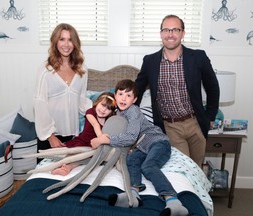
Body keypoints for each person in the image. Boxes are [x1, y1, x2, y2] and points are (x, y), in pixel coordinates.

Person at [91, 79, 188, 216]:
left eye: (129, 95)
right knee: (131, 161)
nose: (124, 98)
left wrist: (106, 139)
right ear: (115, 96)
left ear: (135, 99)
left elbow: (130, 136)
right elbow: (124, 136)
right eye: (120, 94)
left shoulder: (133, 111)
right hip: (141, 147)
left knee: (148, 166)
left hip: (158, 143)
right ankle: (133, 194)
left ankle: (173, 200)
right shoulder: (118, 114)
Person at [135, 14, 220, 167]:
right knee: (184, 168)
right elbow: (137, 91)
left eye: (175, 30)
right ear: (161, 33)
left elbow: (212, 87)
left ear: (183, 33)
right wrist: (131, 117)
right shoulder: (150, 61)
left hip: (196, 123)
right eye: (166, 30)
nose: (170, 34)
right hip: (170, 126)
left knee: (197, 168)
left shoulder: (198, 57)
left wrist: (210, 116)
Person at [33, 23, 92, 152]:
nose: (66, 44)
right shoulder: (45, 71)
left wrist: (101, 113)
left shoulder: (82, 70)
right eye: (62, 39)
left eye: (70, 40)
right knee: (47, 172)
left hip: (73, 134)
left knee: (71, 171)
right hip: (51, 137)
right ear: (55, 42)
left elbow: (82, 101)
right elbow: (40, 104)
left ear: (75, 43)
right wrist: (50, 136)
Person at [51, 92, 116, 176]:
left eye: (108, 108)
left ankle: (67, 168)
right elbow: (95, 125)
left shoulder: (108, 120)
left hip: (94, 146)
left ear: (111, 112)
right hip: (83, 141)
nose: (103, 110)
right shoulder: (90, 112)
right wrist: (100, 137)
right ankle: (61, 166)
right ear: (97, 103)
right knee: (74, 153)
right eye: (103, 105)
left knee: (82, 159)